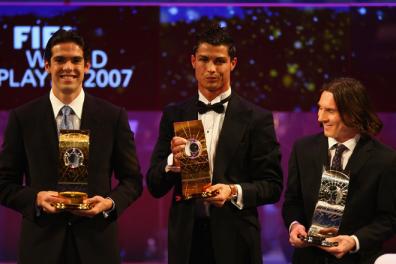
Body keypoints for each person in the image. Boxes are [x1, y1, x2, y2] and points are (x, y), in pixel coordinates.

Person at [0, 29, 143, 263]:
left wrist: (109, 203)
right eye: (59, 60)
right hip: (41, 248)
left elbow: (133, 180)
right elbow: (4, 182)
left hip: (97, 247)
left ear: (87, 66)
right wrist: (36, 198)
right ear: (46, 65)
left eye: (76, 60)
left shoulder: (113, 117)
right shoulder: (22, 118)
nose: (68, 67)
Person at [146, 25, 283, 264]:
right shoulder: (174, 114)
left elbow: (272, 186)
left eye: (219, 61)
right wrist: (171, 162)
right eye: (204, 60)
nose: (211, 69)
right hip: (186, 243)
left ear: (233, 63)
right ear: (192, 61)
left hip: (237, 241)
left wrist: (232, 192)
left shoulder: (257, 118)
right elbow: (154, 185)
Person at [282, 77, 396, 264]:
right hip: (308, 259)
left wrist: (353, 241)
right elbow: (292, 201)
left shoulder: (385, 159)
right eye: (320, 108)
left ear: (353, 113)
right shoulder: (302, 149)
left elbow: (389, 219)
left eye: (330, 111)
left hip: (357, 259)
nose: (320, 117)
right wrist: (295, 226)